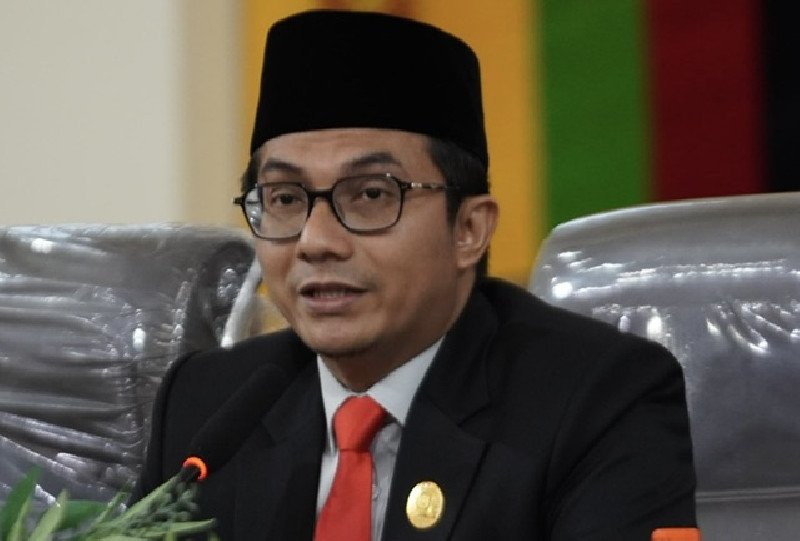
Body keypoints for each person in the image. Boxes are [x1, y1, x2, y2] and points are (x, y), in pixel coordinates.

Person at [136, 9, 697, 540]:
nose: (316, 241)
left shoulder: (598, 398)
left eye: (371, 195)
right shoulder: (207, 405)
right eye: (284, 198)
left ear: (469, 230)